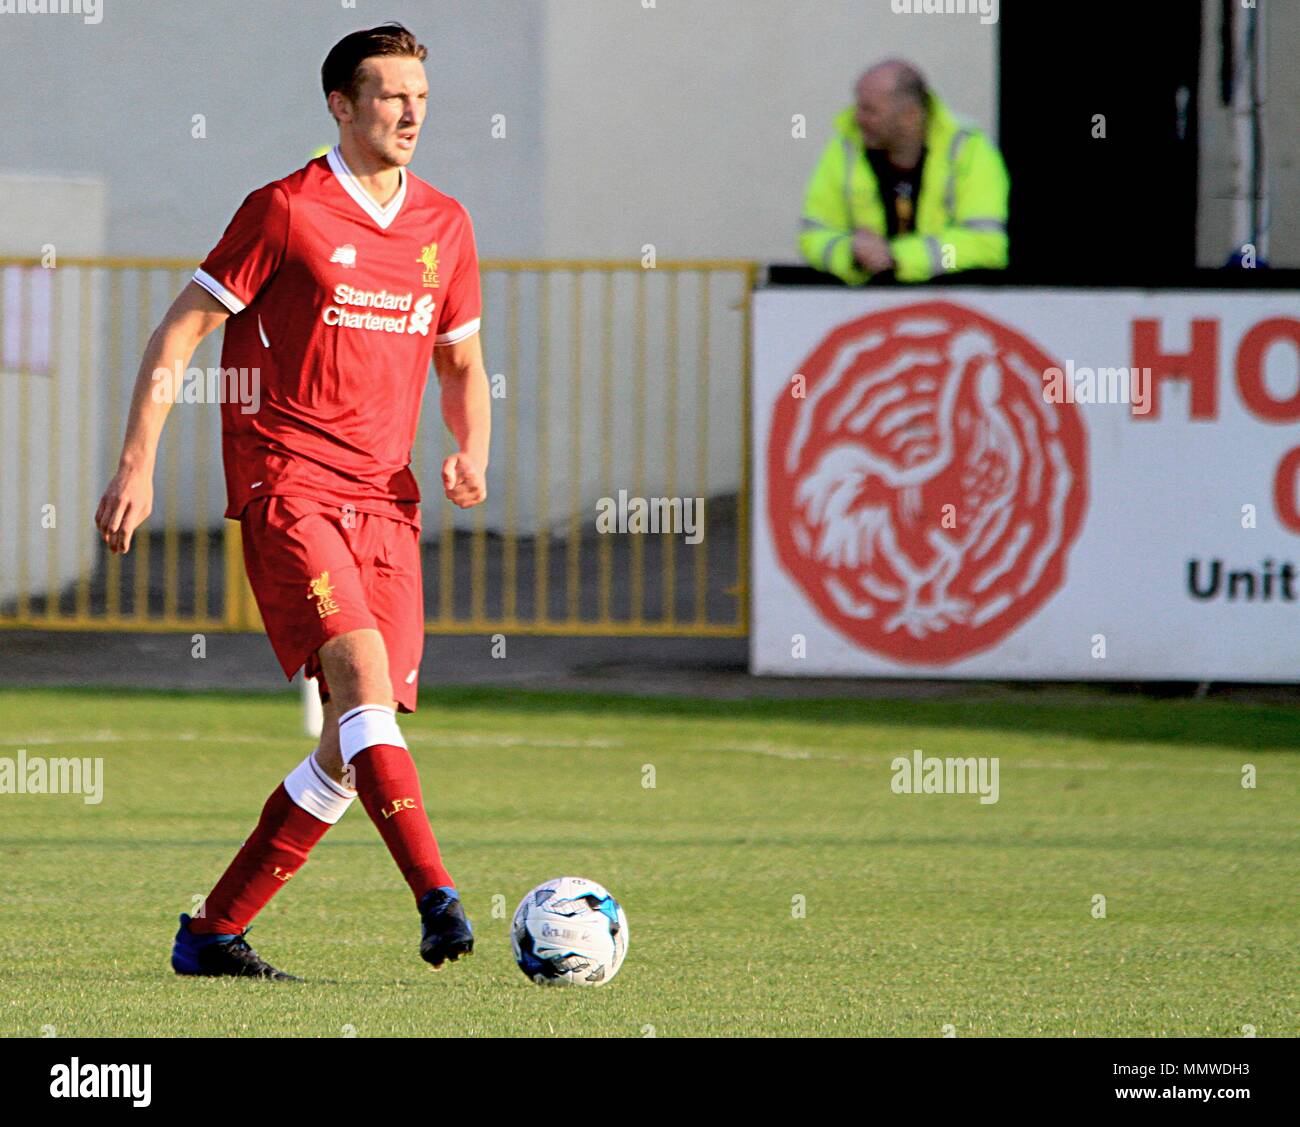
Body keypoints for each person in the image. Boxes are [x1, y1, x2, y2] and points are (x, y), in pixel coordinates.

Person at [93, 23, 490, 980]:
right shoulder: (285, 210)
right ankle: (438, 898)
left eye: (421, 99)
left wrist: (471, 446)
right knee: (357, 685)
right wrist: (137, 463)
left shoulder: (446, 225)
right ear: (340, 106)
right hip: (290, 485)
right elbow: (181, 331)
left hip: (387, 504)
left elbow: (465, 363)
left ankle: (214, 932)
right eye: (390, 96)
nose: (410, 114)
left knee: (353, 750)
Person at [799, 60, 1009, 285]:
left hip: (949, 301)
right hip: (863, 301)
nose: (858, 118)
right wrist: (851, 252)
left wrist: (896, 257)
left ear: (910, 115)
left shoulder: (968, 150)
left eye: (870, 110)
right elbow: (813, 235)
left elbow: (987, 245)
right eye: (859, 107)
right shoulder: (845, 148)